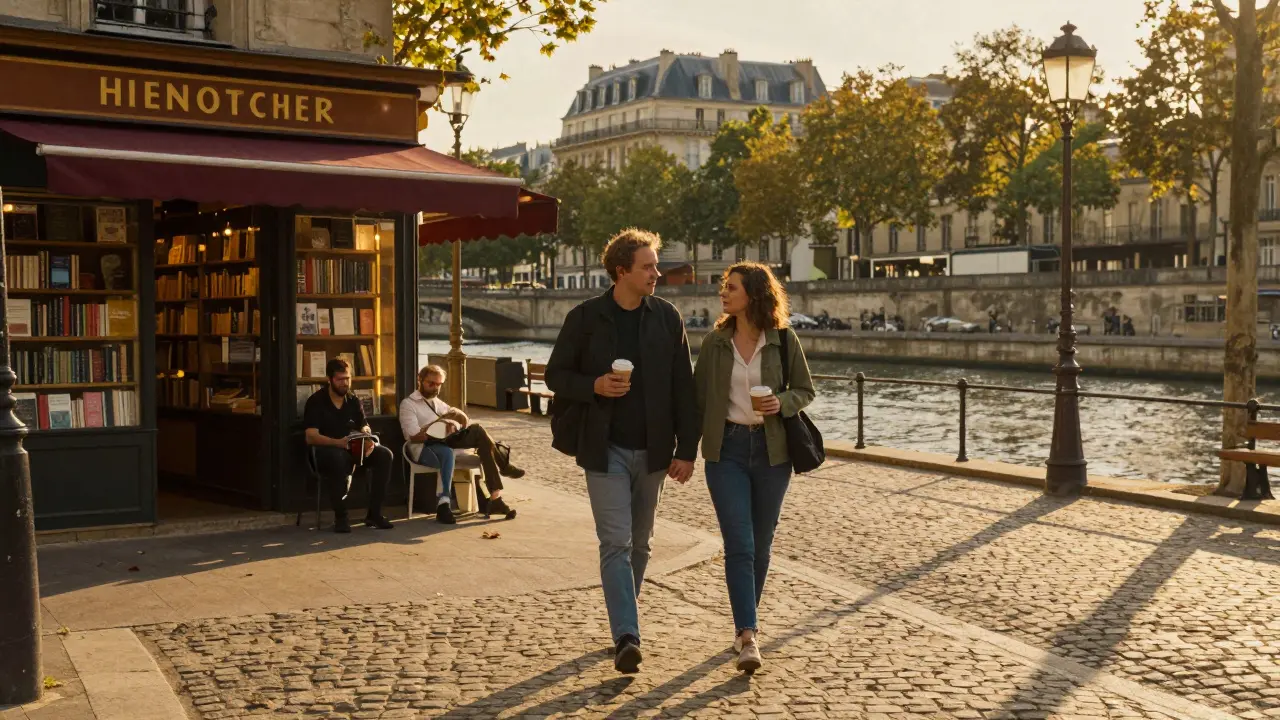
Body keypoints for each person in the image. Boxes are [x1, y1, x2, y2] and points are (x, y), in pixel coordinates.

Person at [545, 228, 698, 675]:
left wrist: (687, 450)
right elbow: (557, 375)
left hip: (654, 450)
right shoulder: (585, 317)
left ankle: (622, 620)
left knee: (642, 544)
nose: (656, 273)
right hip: (603, 446)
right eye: (648, 266)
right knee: (616, 541)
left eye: (655, 265)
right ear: (621, 271)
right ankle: (627, 636)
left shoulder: (668, 318)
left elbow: (683, 390)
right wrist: (594, 385)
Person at [694, 262, 814, 674]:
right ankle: (748, 634)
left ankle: (745, 623)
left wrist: (782, 403)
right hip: (725, 450)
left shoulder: (783, 339)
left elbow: (805, 389)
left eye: (732, 288)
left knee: (761, 546)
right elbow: (696, 399)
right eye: (724, 288)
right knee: (740, 545)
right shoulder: (715, 342)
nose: (723, 294)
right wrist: (678, 450)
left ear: (755, 294)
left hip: (772, 450)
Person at [398, 364, 526, 523]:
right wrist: (439, 425)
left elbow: (461, 420)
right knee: (451, 449)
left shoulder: (439, 403)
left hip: (448, 441)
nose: (435, 388)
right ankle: (504, 467)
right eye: (431, 383)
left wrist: (454, 424)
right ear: (420, 380)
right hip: (425, 447)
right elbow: (412, 435)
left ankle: (495, 496)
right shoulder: (408, 404)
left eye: (439, 384)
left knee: (480, 436)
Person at [303, 357, 396, 533]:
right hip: (326, 450)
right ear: (329, 380)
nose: (345, 383)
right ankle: (341, 517)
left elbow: (364, 424)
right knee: (338, 458)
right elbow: (311, 436)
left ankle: (374, 514)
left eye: (347, 378)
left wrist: (366, 435)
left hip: (353, 447)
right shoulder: (316, 401)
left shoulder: (352, 399)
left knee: (385, 455)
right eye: (340, 379)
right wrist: (337, 443)